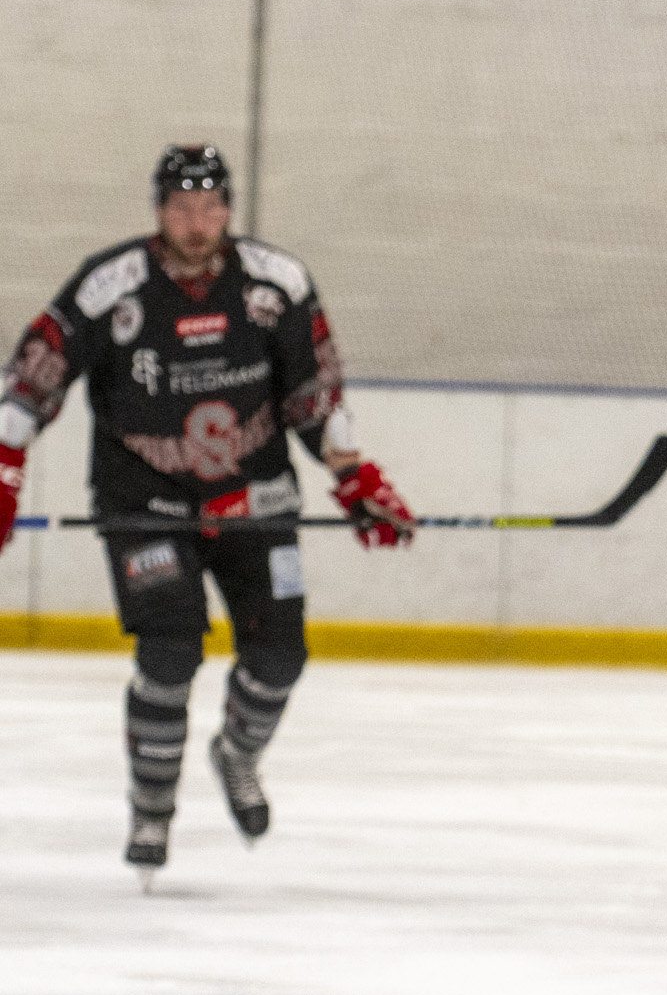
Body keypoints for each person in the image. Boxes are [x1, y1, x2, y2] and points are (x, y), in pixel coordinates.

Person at [0, 144, 415, 881]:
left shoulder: (276, 284)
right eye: (182, 208)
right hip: (145, 504)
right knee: (169, 652)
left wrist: (355, 479)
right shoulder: (111, 287)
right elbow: (33, 379)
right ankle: (151, 809)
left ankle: (237, 755)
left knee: (281, 654)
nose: (198, 223)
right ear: (160, 211)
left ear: (228, 208)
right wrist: (4, 469)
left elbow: (313, 395)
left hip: (255, 499)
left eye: (211, 207)